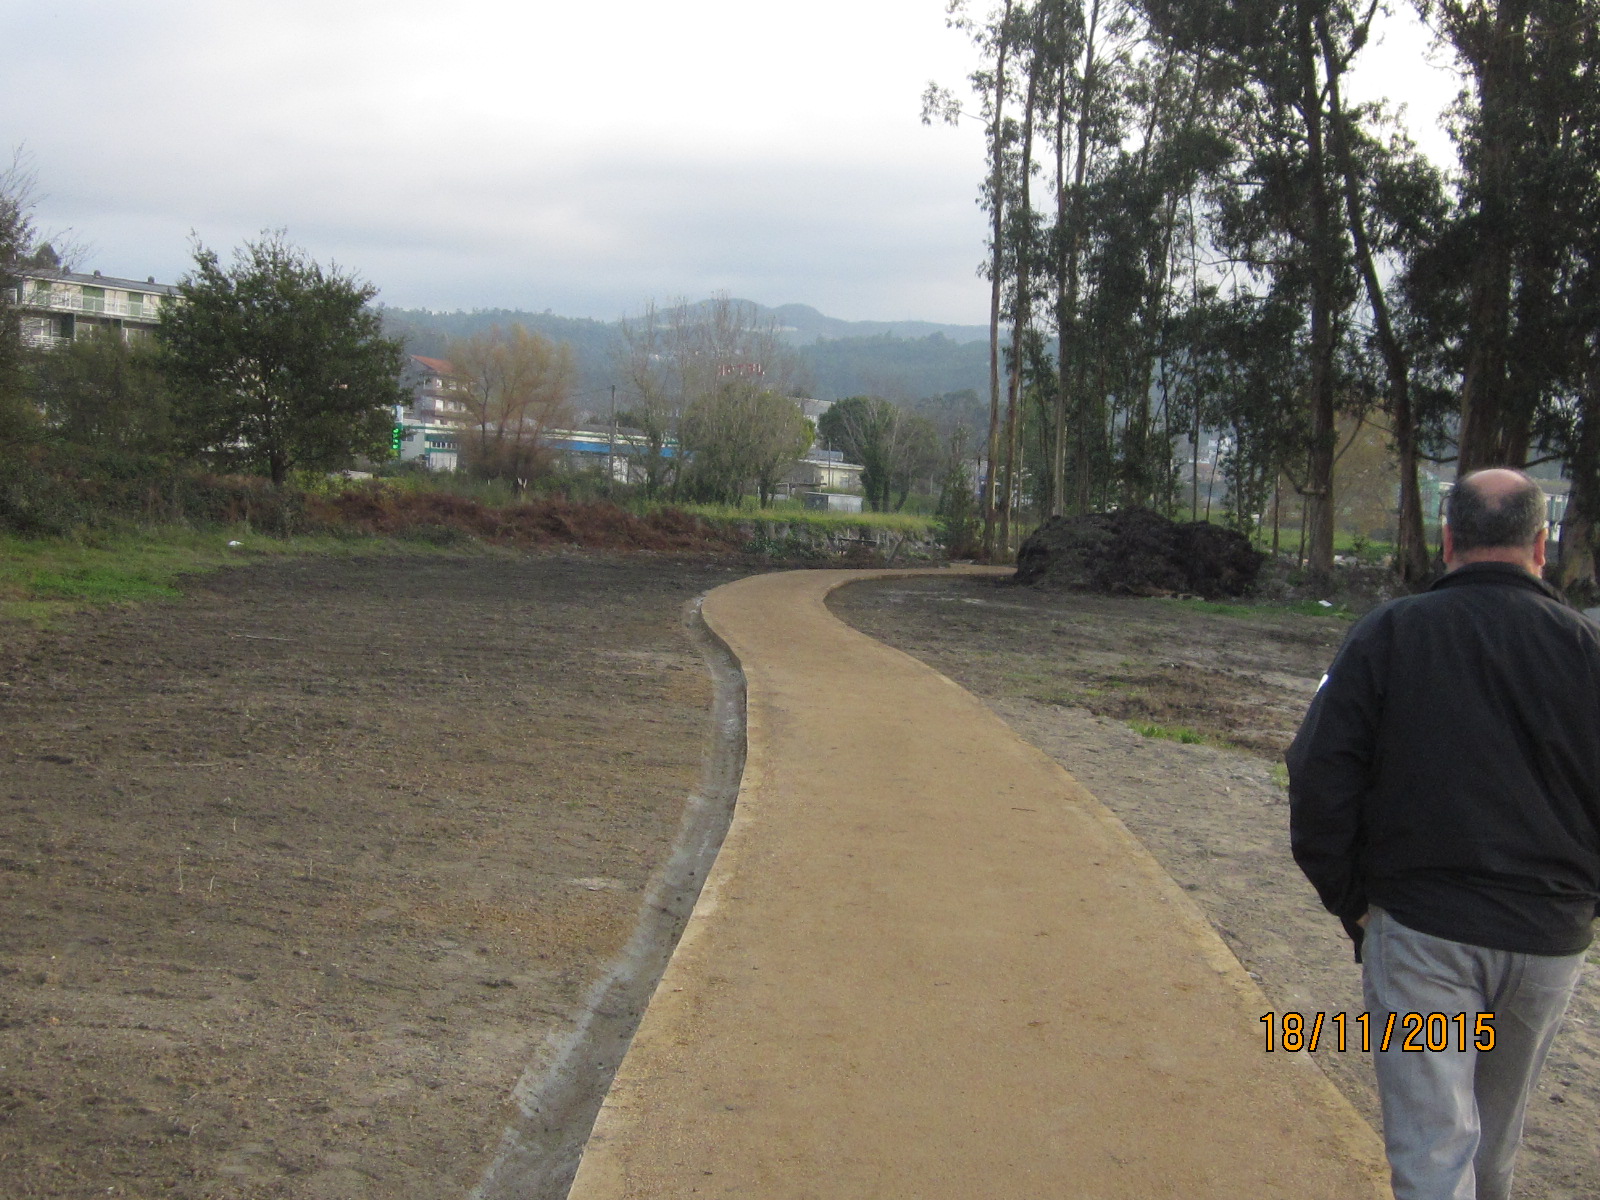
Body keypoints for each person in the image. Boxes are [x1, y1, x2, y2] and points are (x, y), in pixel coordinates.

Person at [1286, 467, 1600, 1200]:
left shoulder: (1390, 634)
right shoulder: (1587, 652)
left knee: (1435, 1151)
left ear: (1448, 539)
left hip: (1423, 936)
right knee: (1492, 1148)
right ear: (1540, 545)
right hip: (1546, 942)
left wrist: (1352, 900)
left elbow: (1319, 773)